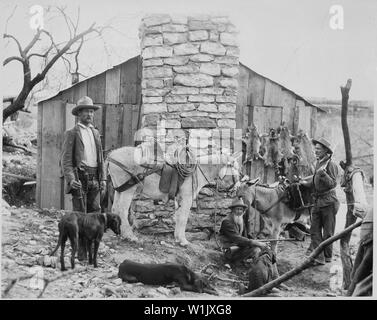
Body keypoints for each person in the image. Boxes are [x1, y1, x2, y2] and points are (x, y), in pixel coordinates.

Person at [60, 96, 106, 260]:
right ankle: (81, 255)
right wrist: (71, 179)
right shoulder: (72, 133)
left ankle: (93, 251)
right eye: (86, 111)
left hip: (95, 178)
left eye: (91, 111)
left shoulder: (95, 132)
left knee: (95, 216)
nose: (89, 114)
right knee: (80, 217)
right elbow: (65, 160)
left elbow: (101, 158)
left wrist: (103, 179)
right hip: (80, 179)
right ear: (78, 113)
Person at [299, 137, 339, 265]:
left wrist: (324, 174)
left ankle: (327, 256)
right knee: (314, 230)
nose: (315, 151)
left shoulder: (331, 165)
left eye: (318, 149)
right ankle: (319, 256)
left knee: (328, 232)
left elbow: (332, 184)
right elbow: (315, 178)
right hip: (317, 201)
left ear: (326, 151)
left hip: (329, 202)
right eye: (315, 148)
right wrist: (305, 182)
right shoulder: (318, 162)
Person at [219, 197, 268, 266]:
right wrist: (254, 243)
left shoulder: (240, 221)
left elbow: (245, 237)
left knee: (259, 248)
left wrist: (258, 241)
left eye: (241, 209)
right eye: (237, 209)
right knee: (256, 250)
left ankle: (245, 265)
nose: (239, 211)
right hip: (229, 250)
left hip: (238, 247)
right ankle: (250, 269)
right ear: (232, 210)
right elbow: (237, 239)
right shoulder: (226, 222)